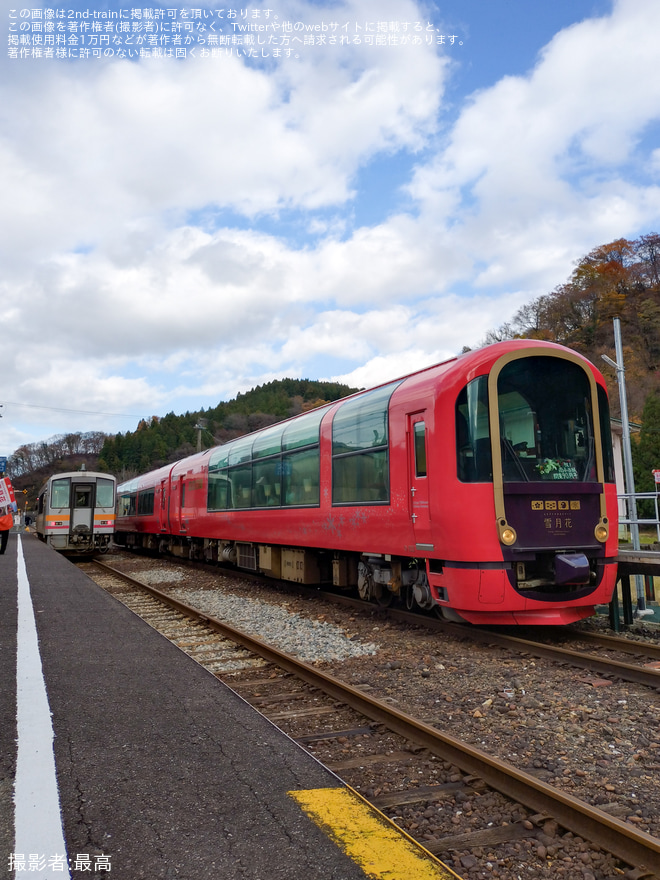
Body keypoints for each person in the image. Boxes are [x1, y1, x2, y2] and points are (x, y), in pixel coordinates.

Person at [0, 476, 16, 554]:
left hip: (4, 516)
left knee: (4, 535)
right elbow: (11, 502)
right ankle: (2, 550)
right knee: (5, 536)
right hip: (5, 518)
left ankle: (2, 550)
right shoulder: (5, 490)